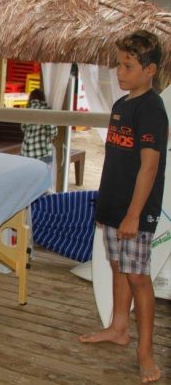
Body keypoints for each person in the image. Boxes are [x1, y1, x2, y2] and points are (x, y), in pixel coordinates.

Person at [79, 30, 166, 384]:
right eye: (118, 64)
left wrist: (133, 214)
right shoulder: (121, 105)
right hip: (113, 205)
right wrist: (112, 206)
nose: (120, 72)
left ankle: (145, 352)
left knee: (138, 277)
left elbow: (149, 166)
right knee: (118, 266)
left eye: (128, 66)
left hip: (135, 211)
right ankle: (118, 327)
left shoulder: (151, 109)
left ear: (150, 69)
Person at [20, 89, 57, 163]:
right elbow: (53, 132)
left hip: (26, 152)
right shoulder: (47, 111)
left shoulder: (26, 111)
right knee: (44, 174)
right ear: (43, 98)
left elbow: (23, 128)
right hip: (42, 153)